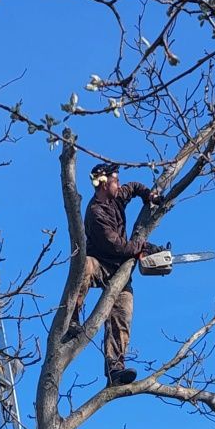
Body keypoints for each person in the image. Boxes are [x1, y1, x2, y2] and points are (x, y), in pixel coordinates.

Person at [63, 161, 160, 386]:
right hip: (102, 263)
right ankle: (72, 318)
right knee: (85, 266)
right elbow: (117, 247)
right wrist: (143, 246)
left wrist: (149, 196)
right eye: (115, 180)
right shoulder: (96, 213)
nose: (119, 184)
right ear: (103, 184)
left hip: (119, 271)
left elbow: (134, 187)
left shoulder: (117, 196)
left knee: (123, 312)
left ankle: (115, 367)